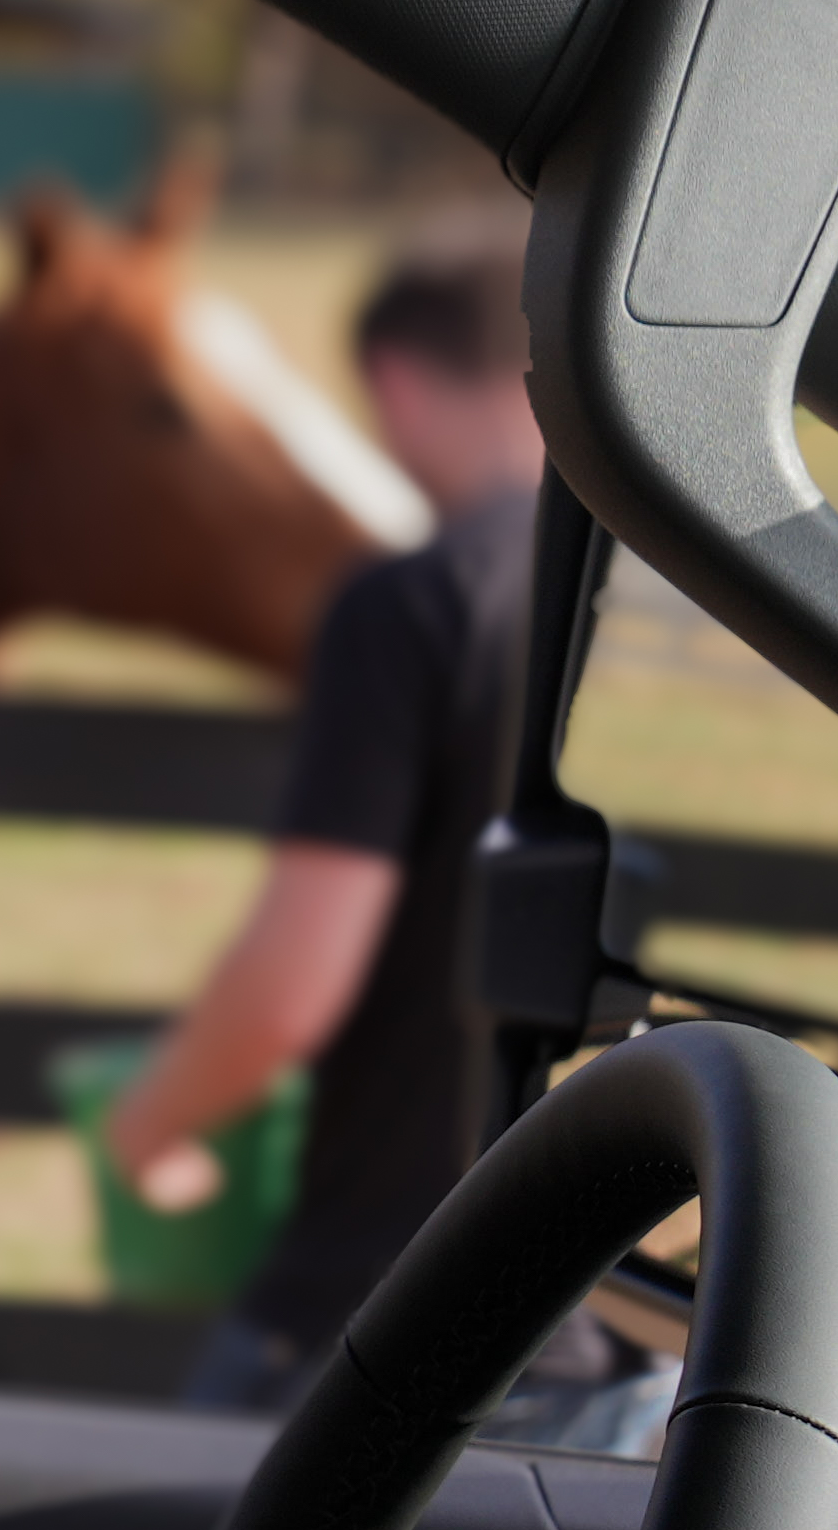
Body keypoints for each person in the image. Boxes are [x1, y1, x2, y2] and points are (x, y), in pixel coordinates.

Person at [104, 243, 550, 1415]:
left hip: (382, 1304)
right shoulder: (671, 607)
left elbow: (293, 982)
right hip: (631, 1327)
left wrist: (150, 1123)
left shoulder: (411, 608)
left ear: (395, 382)